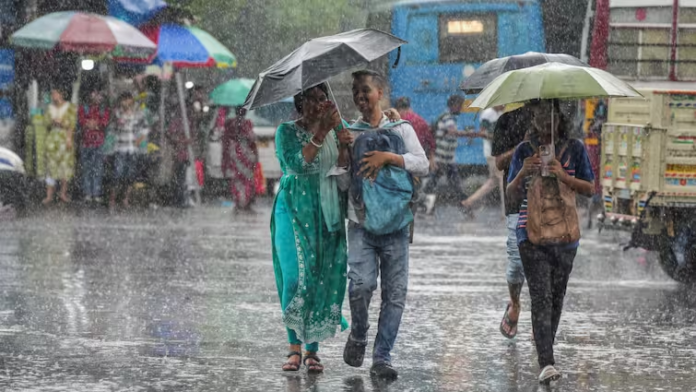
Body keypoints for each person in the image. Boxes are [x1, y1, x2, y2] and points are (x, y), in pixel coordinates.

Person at [343, 70, 429, 380]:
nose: (360, 96)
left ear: (380, 92)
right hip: (361, 222)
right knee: (360, 285)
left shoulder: (401, 128)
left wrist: (388, 158)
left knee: (395, 295)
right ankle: (359, 332)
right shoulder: (348, 132)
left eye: (365, 90)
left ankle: (382, 356)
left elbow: (423, 164)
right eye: (355, 91)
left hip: (396, 224)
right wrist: (343, 152)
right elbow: (341, 182)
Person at [506, 100, 594, 383]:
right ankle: (547, 361)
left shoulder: (575, 149)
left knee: (556, 297)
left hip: (565, 236)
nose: (543, 121)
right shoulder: (523, 150)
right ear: (532, 118)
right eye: (538, 115)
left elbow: (590, 189)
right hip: (529, 235)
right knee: (541, 295)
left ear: (559, 118)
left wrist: (562, 174)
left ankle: (546, 350)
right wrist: (523, 172)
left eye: (549, 115)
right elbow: (509, 196)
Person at [272, 83, 353, 373]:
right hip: (292, 208)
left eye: (324, 98)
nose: (321, 104)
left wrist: (343, 145)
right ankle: (293, 347)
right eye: (315, 99)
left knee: (319, 277)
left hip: (326, 208)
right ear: (301, 102)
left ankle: (312, 350)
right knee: (294, 277)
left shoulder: (336, 127)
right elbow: (296, 165)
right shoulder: (285, 132)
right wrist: (320, 133)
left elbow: (341, 169)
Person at [492, 106, 533, 340]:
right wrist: (522, 147)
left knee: (545, 262)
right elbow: (499, 163)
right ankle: (515, 304)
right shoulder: (506, 121)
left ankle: (541, 318)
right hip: (516, 199)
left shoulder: (552, 116)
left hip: (547, 200)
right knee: (517, 259)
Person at [422, 95, 478, 215]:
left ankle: (425, 206)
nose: (461, 108)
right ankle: (465, 208)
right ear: (453, 105)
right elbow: (452, 131)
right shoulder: (448, 118)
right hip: (442, 159)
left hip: (447, 158)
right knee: (452, 185)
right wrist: (469, 134)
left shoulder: (448, 117)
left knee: (441, 183)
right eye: (459, 105)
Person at [460, 105, 504, 214]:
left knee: (493, 181)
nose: (504, 106)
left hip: (498, 151)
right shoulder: (487, 113)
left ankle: (469, 201)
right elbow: (482, 132)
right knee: (503, 180)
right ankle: (505, 211)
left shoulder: (500, 113)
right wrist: (495, 137)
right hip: (492, 153)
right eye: (502, 104)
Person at [109, 92, 150, 209]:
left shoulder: (138, 113)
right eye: (123, 101)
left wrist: (140, 139)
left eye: (128, 100)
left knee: (130, 175)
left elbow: (146, 128)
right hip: (120, 147)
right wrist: (118, 124)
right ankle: (112, 199)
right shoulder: (117, 113)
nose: (126, 103)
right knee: (117, 173)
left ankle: (125, 199)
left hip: (133, 148)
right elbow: (112, 129)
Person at [43, 88, 77, 205]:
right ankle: (49, 195)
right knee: (50, 167)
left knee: (65, 167)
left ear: (61, 94)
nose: (53, 96)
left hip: (64, 138)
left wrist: (68, 136)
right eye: (52, 93)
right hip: (52, 139)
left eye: (55, 93)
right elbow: (46, 122)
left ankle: (63, 193)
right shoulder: (49, 108)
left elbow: (72, 124)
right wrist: (52, 121)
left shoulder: (70, 107)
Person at [222, 106, 259, 212]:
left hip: (239, 156)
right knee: (244, 180)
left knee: (240, 180)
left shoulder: (231, 124)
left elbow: (226, 140)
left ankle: (240, 201)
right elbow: (252, 140)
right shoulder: (244, 125)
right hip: (243, 156)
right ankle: (243, 202)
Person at [78, 89, 110, 204]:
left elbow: (104, 123)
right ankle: (87, 194)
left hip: (99, 143)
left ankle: (95, 194)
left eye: (99, 94)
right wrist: (94, 124)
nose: (98, 96)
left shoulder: (104, 109)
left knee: (98, 169)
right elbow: (82, 122)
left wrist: (92, 124)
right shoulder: (83, 108)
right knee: (87, 169)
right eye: (95, 93)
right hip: (86, 143)